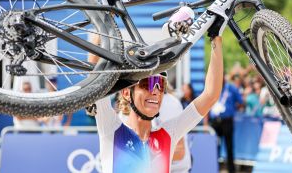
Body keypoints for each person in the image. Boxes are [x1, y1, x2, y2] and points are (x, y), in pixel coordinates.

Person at [94, 20, 223, 173]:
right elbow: (95, 70)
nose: (155, 91)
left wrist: (216, 38)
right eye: (147, 84)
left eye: (160, 85)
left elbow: (210, 95)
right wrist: (105, 16)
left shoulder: (168, 134)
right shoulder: (111, 128)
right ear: (126, 92)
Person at [115, 85, 192, 173]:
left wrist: (147, 152)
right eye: (145, 84)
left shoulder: (170, 103)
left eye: (159, 83)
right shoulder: (124, 113)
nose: (154, 90)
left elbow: (180, 151)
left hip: (177, 169)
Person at [206, 75, 243, 173]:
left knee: (229, 147)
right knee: (214, 147)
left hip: (227, 121)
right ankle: (213, 168)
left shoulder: (231, 88)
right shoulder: (212, 88)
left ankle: (231, 170)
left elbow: (240, 102)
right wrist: (206, 123)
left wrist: (232, 109)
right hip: (215, 122)